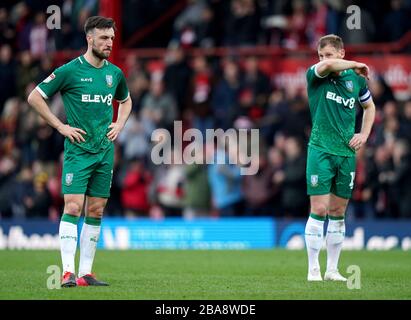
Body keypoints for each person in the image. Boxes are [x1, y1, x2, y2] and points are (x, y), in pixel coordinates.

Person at [27, 16, 132, 287]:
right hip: (78, 151)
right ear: (89, 39)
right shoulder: (70, 70)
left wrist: (119, 123)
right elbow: (35, 97)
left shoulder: (114, 74)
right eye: (103, 38)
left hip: (104, 151)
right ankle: (67, 272)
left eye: (111, 38)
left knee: (96, 210)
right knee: (73, 206)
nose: (109, 43)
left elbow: (126, 100)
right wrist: (60, 126)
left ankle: (86, 273)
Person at [304, 34, 375, 281]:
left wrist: (364, 134)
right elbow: (327, 67)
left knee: (337, 211)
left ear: (341, 53)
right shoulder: (316, 74)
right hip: (320, 149)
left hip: (346, 153)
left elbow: (369, 107)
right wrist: (355, 64)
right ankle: (313, 269)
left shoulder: (355, 80)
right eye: (320, 55)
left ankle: (332, 270)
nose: (324, 59)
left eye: (329, 54)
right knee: (320, 209)